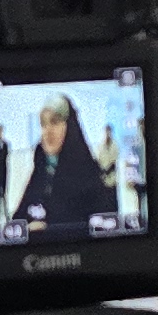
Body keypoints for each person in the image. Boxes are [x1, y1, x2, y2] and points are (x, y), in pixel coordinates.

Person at [19, 96, 116, 231]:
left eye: (54, 122)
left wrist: (49, 229)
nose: (48, 131)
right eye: (43, 124)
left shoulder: (91, 177)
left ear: (70, 126)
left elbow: (104, 226)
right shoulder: (41, 171)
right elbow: (17, 222)